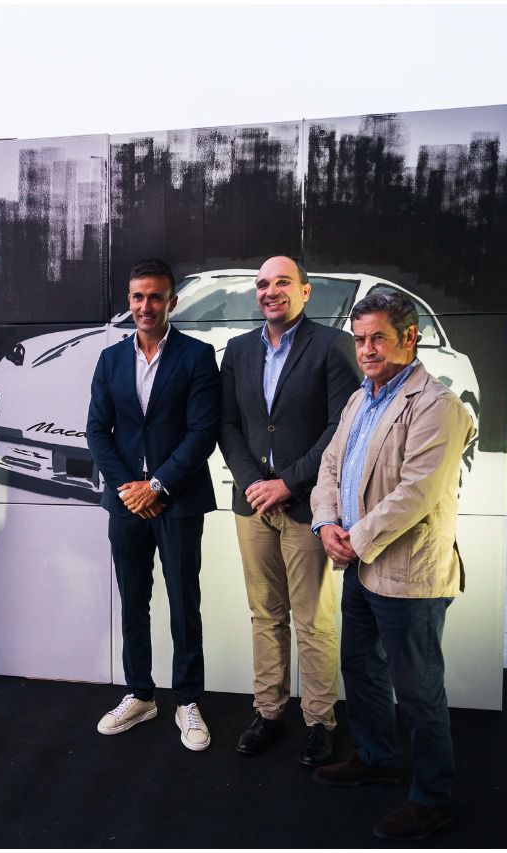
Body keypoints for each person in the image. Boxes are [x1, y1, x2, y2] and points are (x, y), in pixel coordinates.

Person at [309, 290, 474, 841]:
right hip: (359, 563)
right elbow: (330, 466)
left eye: (378, 337)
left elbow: (415, 494)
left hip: (408, 575)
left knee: (420, 690)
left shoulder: (439, 407)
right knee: (361, 667)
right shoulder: (361, 400)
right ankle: (377, 758)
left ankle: (432, 799)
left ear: (410, 338)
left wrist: (352, 538)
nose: (367, 349)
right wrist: (325, 524)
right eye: (360, 339)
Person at [219, 256, 360, 765]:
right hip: (251, 504)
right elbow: (228, 426)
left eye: (282, 282)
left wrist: (288, 482)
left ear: (304, 291)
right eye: (262, 284)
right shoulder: (237, 351)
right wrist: (255, 483)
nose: (270, 291)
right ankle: (269, 710)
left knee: (313, 619)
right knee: (265, 614)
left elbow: (339, 429)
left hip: (307, 504)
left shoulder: (332, 345)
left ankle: (320, 721)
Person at [85, 258, 220, 751]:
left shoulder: (197, 357)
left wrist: (158, 485)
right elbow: (97, 430)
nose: (146, 305)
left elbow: (202, 432)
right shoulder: (110, 360)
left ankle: (187, 701)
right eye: (138, 297)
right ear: (129, 301)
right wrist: (129, 489)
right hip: (126, 505)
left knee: (185, 604)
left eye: (155, 296)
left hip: (178, 502)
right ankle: (140, 694)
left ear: (171, 302)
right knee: (133, 600)